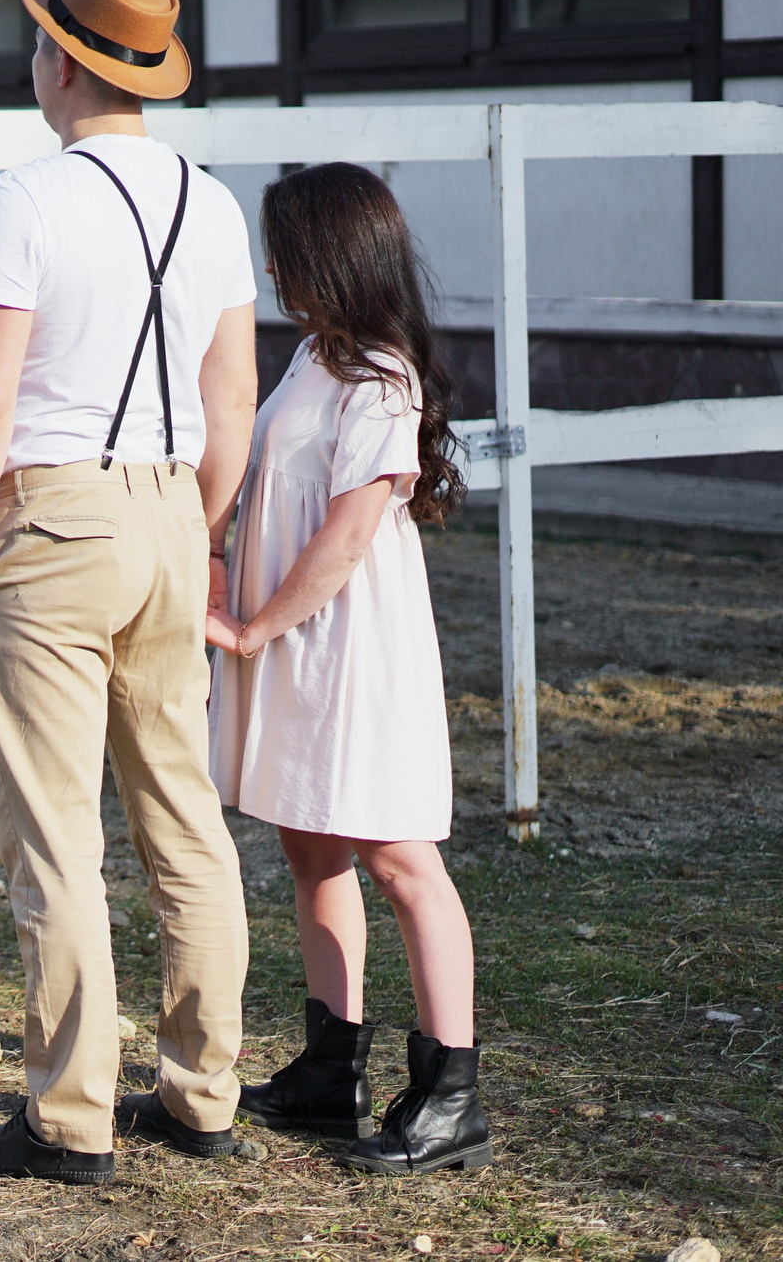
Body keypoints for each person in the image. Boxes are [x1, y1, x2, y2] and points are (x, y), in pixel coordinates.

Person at [0, 0, 261, 1184]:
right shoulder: (213, 202)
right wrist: (202, 527)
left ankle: (69, 1115)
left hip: (54, 517)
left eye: (37, 44)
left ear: (62, 62)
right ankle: (201, 1090)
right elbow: (228, 398)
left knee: (58, 834)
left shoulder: (26, 197)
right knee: (185, 816)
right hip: (175, 511)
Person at [208, 162, 491, 1175]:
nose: (273, 266)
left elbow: (344, 533)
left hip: (346, 645)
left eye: (285, 247)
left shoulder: (379, 374)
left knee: (398, 858)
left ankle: (450, 1093)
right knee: (311, 844)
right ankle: (333, 1067)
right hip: (298, 642)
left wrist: (249, 628)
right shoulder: (311, 358)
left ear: (329, 253)